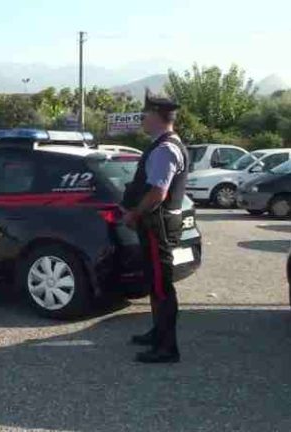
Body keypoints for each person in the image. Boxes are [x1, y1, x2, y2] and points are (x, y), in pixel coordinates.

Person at [121, 92, 188, 364]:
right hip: (155, 223)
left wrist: (134, 214)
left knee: (162, 286)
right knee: (155, 281)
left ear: (157, 116)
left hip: (156, 224)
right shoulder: (164, 144)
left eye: (144, 115)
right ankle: (157, 332)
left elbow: (158, 193)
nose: (141, 119)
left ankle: (167, 348)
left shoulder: (164, 149)